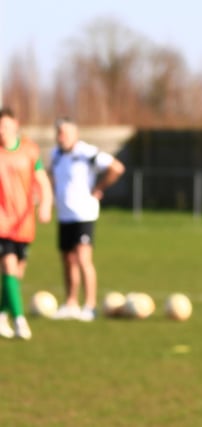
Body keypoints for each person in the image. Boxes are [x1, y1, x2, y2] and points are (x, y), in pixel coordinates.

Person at [50, 117, 125, 321]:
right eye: (58, 132)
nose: (61, 137)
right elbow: (52, 177)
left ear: (75, 134)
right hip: (64, 215)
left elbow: (117, 168)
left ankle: (90, 305)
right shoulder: (55, 154)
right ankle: (71, 303)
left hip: (83, 214)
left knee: (83, 259)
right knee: (67, 260)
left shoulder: (86, 152)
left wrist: (99, 188)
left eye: (64, 132)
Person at [0, 107, 53, 340]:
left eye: (6, 126)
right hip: (2, 222)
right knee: (9, 267)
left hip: (24, 223)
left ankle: (2, 316)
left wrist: (46, 205)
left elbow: (42, 181)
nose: (2, 131)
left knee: (16, 274)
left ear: (16, 125)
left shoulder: (30, 150)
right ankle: (20, 322)